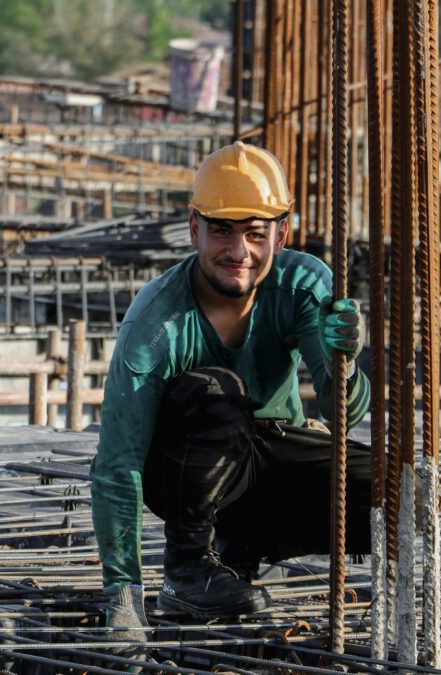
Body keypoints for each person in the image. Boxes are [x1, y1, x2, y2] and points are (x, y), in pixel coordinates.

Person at [91, 142, 372, 655]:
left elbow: (340, 412)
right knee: (219, 396)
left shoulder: (303, 284)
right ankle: (187, 568)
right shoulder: (157, 323)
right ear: (194, 227)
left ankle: (241, 550)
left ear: (281, 234)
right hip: (185, 470)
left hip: (269, 460)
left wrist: (344, 362)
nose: (238, 252)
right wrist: (124, 595)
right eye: (222, 230)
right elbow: (118, 464)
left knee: (390, 489)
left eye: (255, 234)